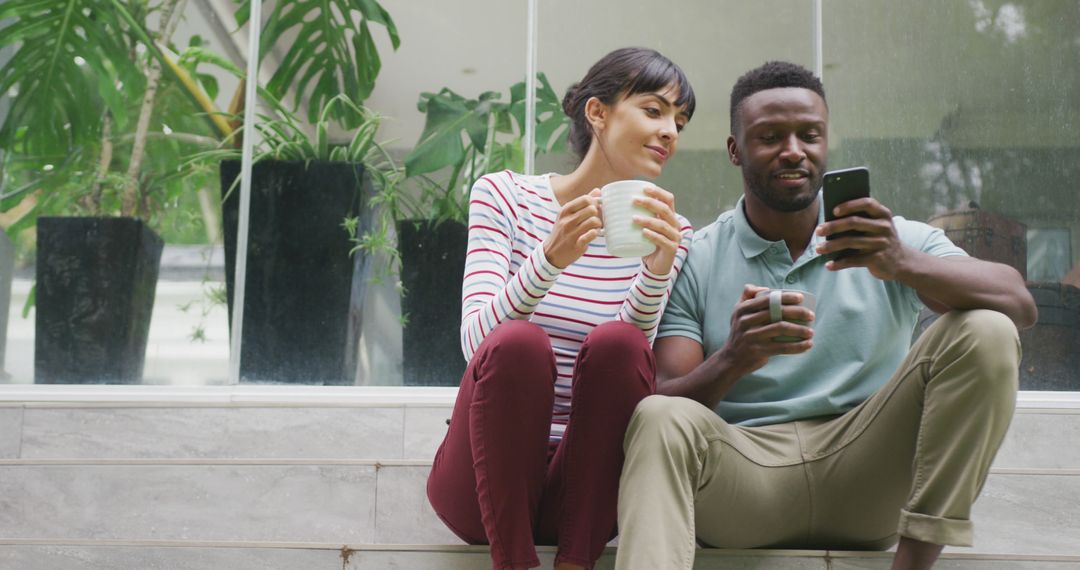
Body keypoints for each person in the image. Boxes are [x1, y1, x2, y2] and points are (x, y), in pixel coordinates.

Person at [613, 61, 1038, 570]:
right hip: (745, 483)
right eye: (770, 136)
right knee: (657, 415)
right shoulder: (695, 255)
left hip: (869, 475)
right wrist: (732, 358)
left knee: (986, 327)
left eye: (809, 135)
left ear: (826, 142)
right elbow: (664, 399)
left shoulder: (888, 238)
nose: (794, 150)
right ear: (735, 150)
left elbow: (1018, 303)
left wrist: (904, 264)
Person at [426, 47, 697, 570]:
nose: (671, 132)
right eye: (654, 110)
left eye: (679, 121)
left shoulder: (671, 233)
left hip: (584, 491)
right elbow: (476, 345)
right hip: (483, 486)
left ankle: (576, 562)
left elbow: (629, 368)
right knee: (519, 342)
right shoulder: (504, 196)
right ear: (598, 113)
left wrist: (657, 270)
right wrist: (548, 259)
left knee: (621, 343)